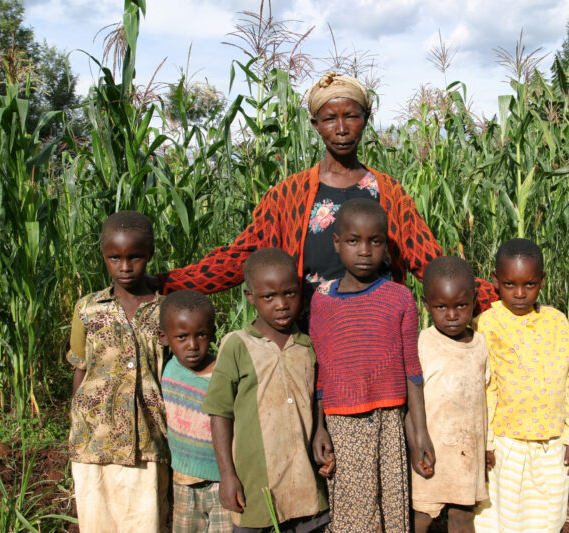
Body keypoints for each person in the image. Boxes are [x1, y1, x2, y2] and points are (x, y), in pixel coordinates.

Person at [157, 71, 498, 316]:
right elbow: (240, 257)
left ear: (366, 119)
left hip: (377, 327)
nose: (341, 128)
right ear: (315, 124)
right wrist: (164, 284)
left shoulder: (389, 193)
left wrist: (505, 296)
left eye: (351, 116)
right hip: (309, 332)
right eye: (329, 118)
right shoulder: (288, 195)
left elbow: (430, 262)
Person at [309, 198, 434, 532]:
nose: (364, 250)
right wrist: (319, 426)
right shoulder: (322, 302)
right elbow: (321, 370)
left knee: (394, 509)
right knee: (355, 515)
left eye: (374, 241)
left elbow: (412, 368)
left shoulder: (399, 297)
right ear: (337, 243)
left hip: (391, 420)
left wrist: (419, 432)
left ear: (385, 244)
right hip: (343, 424)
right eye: (353, 241)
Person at [203, 248, 329, 532]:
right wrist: (227, 475)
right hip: (255, 485)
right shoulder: (237, 345)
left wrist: (320, 430)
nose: (282, 304)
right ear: (251, 297)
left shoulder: (308, 346)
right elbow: (220, 413)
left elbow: (316, 399)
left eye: (290, 293)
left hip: (305, 483)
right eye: (269, 297)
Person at [473, 238, 569, 533]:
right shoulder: (487, 324)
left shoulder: (557, 322)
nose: (520, 294)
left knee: (546, 516)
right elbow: (485, 389)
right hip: (506, 444)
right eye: (510, 285)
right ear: (496, 280)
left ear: (542, 281)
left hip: (551, 444)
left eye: (530, 284)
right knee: (501, 516)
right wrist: (485, 443)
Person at [67, 210, 169, 532]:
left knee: (147, 520)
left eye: (135, 257)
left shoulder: (167, 309)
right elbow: (80, 368)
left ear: (149, 254)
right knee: (97, 520)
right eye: (115, 257)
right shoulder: (87, 309)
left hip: (148, 439)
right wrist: (76, 424)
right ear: (104, 256)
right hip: (93, 441)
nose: (125, 267)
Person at [412, 256, 490, 533]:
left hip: (467, 453)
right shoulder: (422, 344)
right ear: (426, 305)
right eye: (441, 307)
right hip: (429, 452)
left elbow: (486, 398)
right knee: (422, 517)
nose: (453, 315)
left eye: (461, 306)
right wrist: (414, 445)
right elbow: (411, 401)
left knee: (462, 518)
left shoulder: (480, 345)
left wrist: (487, 446)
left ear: (474, 301)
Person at [159, 290, 231, 533]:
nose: (192, 345)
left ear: (212, 332)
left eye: (200, 335)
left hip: (223, 481)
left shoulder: (223, 372)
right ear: (164, 338)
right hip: (183, 483)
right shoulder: (166, 371)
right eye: (181, 337)